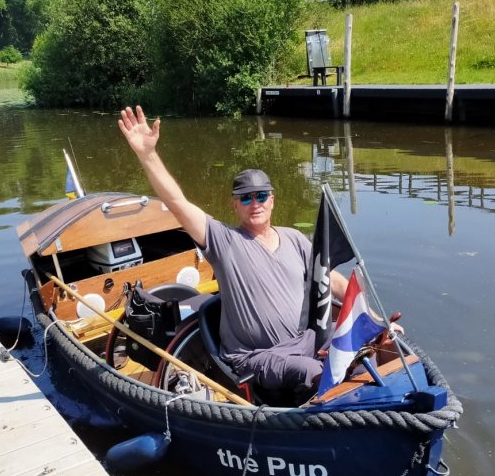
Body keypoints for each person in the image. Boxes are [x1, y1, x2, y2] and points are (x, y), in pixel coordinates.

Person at [118, 105, 348, 402]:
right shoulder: (223, 240)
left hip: (304, 341)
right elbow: (177, 202)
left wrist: (371, 317)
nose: (256, 203)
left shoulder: (295, 239)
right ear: (234, 205)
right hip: (256, 357)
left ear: (272, 200)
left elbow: (332, 279)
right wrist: (147, 154)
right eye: (246, 198)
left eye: (261, 195)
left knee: (352, 350)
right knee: (312, 373)